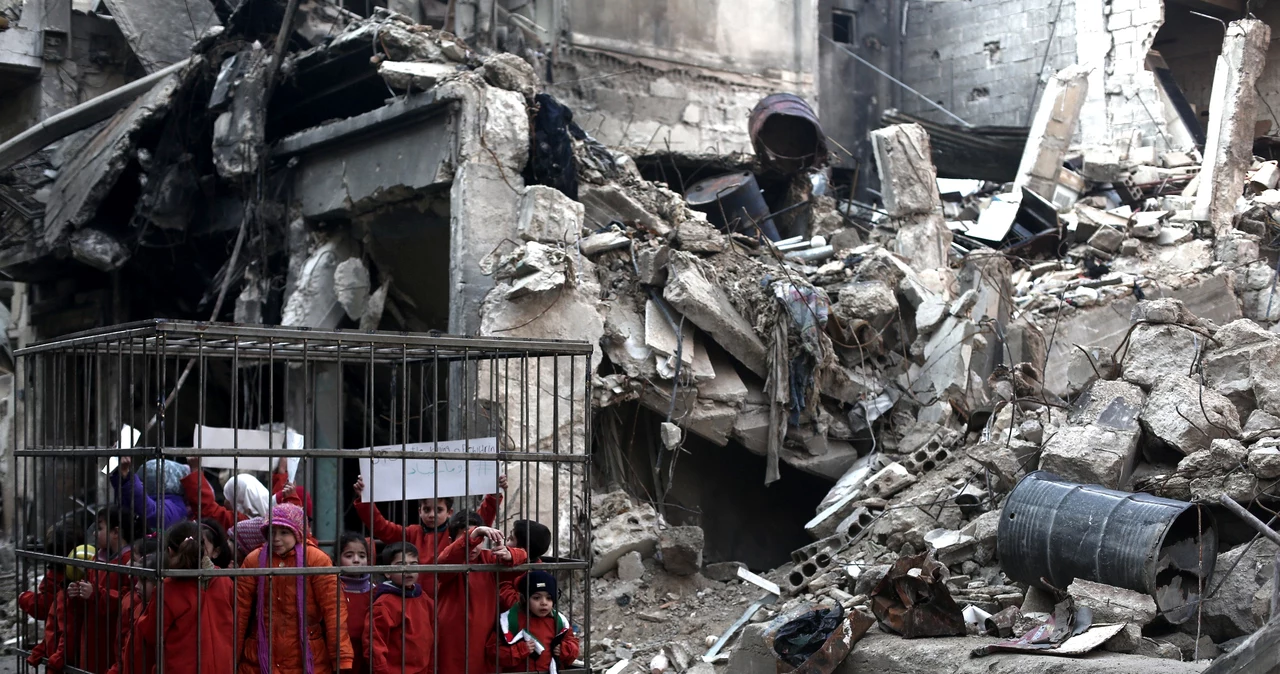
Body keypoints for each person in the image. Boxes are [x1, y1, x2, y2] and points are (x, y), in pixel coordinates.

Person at [235, 503, 353, 674]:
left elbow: (334, 612)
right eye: (271, 531)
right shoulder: (254, 560)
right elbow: (240, 613)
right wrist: (232, 656)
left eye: (284, 532)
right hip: (259, 656)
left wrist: (342, 660)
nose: (276, 538)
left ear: (298, 533)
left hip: (308, 656)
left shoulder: (316, 559)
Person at [137, 521, 236, 673]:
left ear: (169, 551)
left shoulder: (168, 589)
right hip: (222, 667)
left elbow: (152, 634)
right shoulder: (225, 580)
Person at [350, 475, 507, 571]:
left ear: (449, 512)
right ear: (419, 511)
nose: (432, 515)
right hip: (418, 599)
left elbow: (482, 519)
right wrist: (365, 499)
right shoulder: (411, 533)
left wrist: (494, 492)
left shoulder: (458, 533)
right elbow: (381, 527)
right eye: (426, 510)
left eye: (438, 510)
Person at [435, 513, 527, 674]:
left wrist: (511, 554)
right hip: (450, 640)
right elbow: (443, 564)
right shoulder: (450, 560)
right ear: (451, 542)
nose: (474, 546)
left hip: (483, 639)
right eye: (469, 540)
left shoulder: (488, 559)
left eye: (478, 541)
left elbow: (525, 560)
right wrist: (474, 535)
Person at [66, 505, 142, 673]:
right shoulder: (97, 557)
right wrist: (78, 592)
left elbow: (129, 599)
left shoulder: (130, 561)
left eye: (99, 528)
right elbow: (90, 584)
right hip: (93, 632)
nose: (94, 533)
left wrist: (96, 594)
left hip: (112, 635)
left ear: (116, 532)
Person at [492, 571, 579, 673]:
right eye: (536, 598)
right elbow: (493, 652)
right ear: (524, 599)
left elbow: (573, 645)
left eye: (549, 598)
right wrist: (520, 650)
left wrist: (564, 650)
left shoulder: (559, 621)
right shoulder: (510, 620)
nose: (544, 603)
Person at [368, 542, 435, 674]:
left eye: (414, 564)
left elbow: (433, 640)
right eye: (401, 565)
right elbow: (375, 646)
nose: (408, 570)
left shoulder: (424, 599)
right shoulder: (384, 604)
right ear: (387, 572)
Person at [105, 551, 158, 674]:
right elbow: (127, 649)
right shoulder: (139, 608)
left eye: (143, 581)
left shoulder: (161, 614)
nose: (137, 586)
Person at [112, 457, 191, 531]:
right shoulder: (169, 502)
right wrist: (121, 475)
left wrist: (127, 475)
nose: (141, 483)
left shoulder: (173, 507)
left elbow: (151, 512)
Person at [337, 532, 374, 674]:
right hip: (339, 655)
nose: (356, 560)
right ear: (337, 559)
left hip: (366, 655)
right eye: (349, 555)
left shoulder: (375, 591)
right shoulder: (331, 590)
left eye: (362, 556)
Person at [498, 520, 552, 610]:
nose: (506, 539)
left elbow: (515, 605)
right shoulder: (537, 566)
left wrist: (501, 578)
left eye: (511, 538)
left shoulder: (535, 575)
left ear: (522, 550)